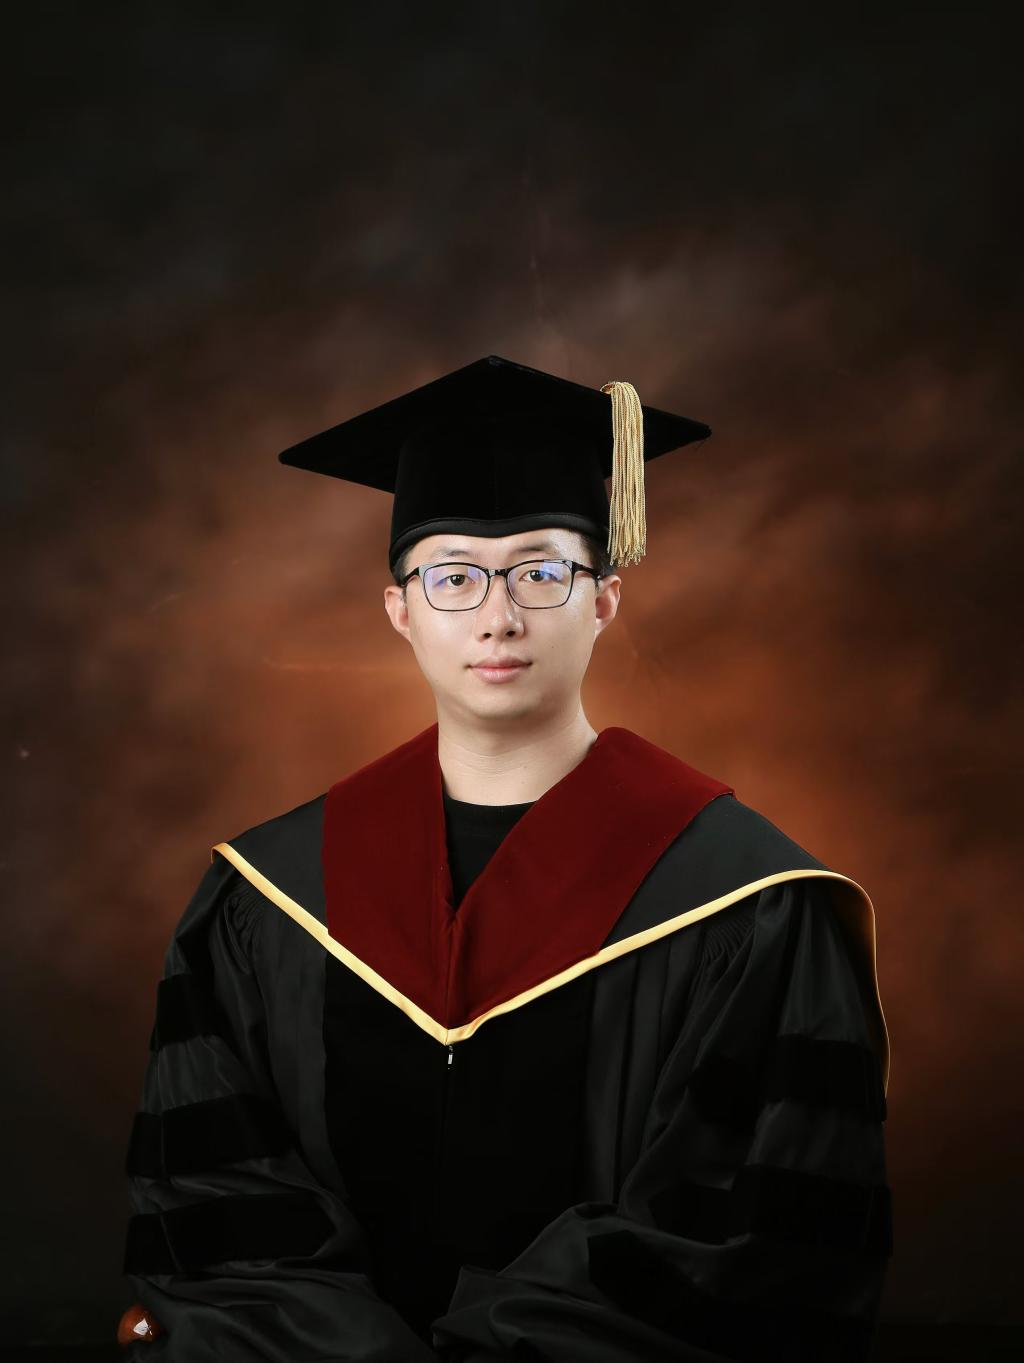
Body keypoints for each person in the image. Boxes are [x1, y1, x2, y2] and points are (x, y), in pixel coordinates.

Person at [121, 354, 892, 1362]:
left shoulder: (750, 904)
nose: (497, 616)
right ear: (400, 609)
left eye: (541, 571)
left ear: (603, 600)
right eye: (453, 576)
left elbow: (746, 1236)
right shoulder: (263, 898)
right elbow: (218, 1208)